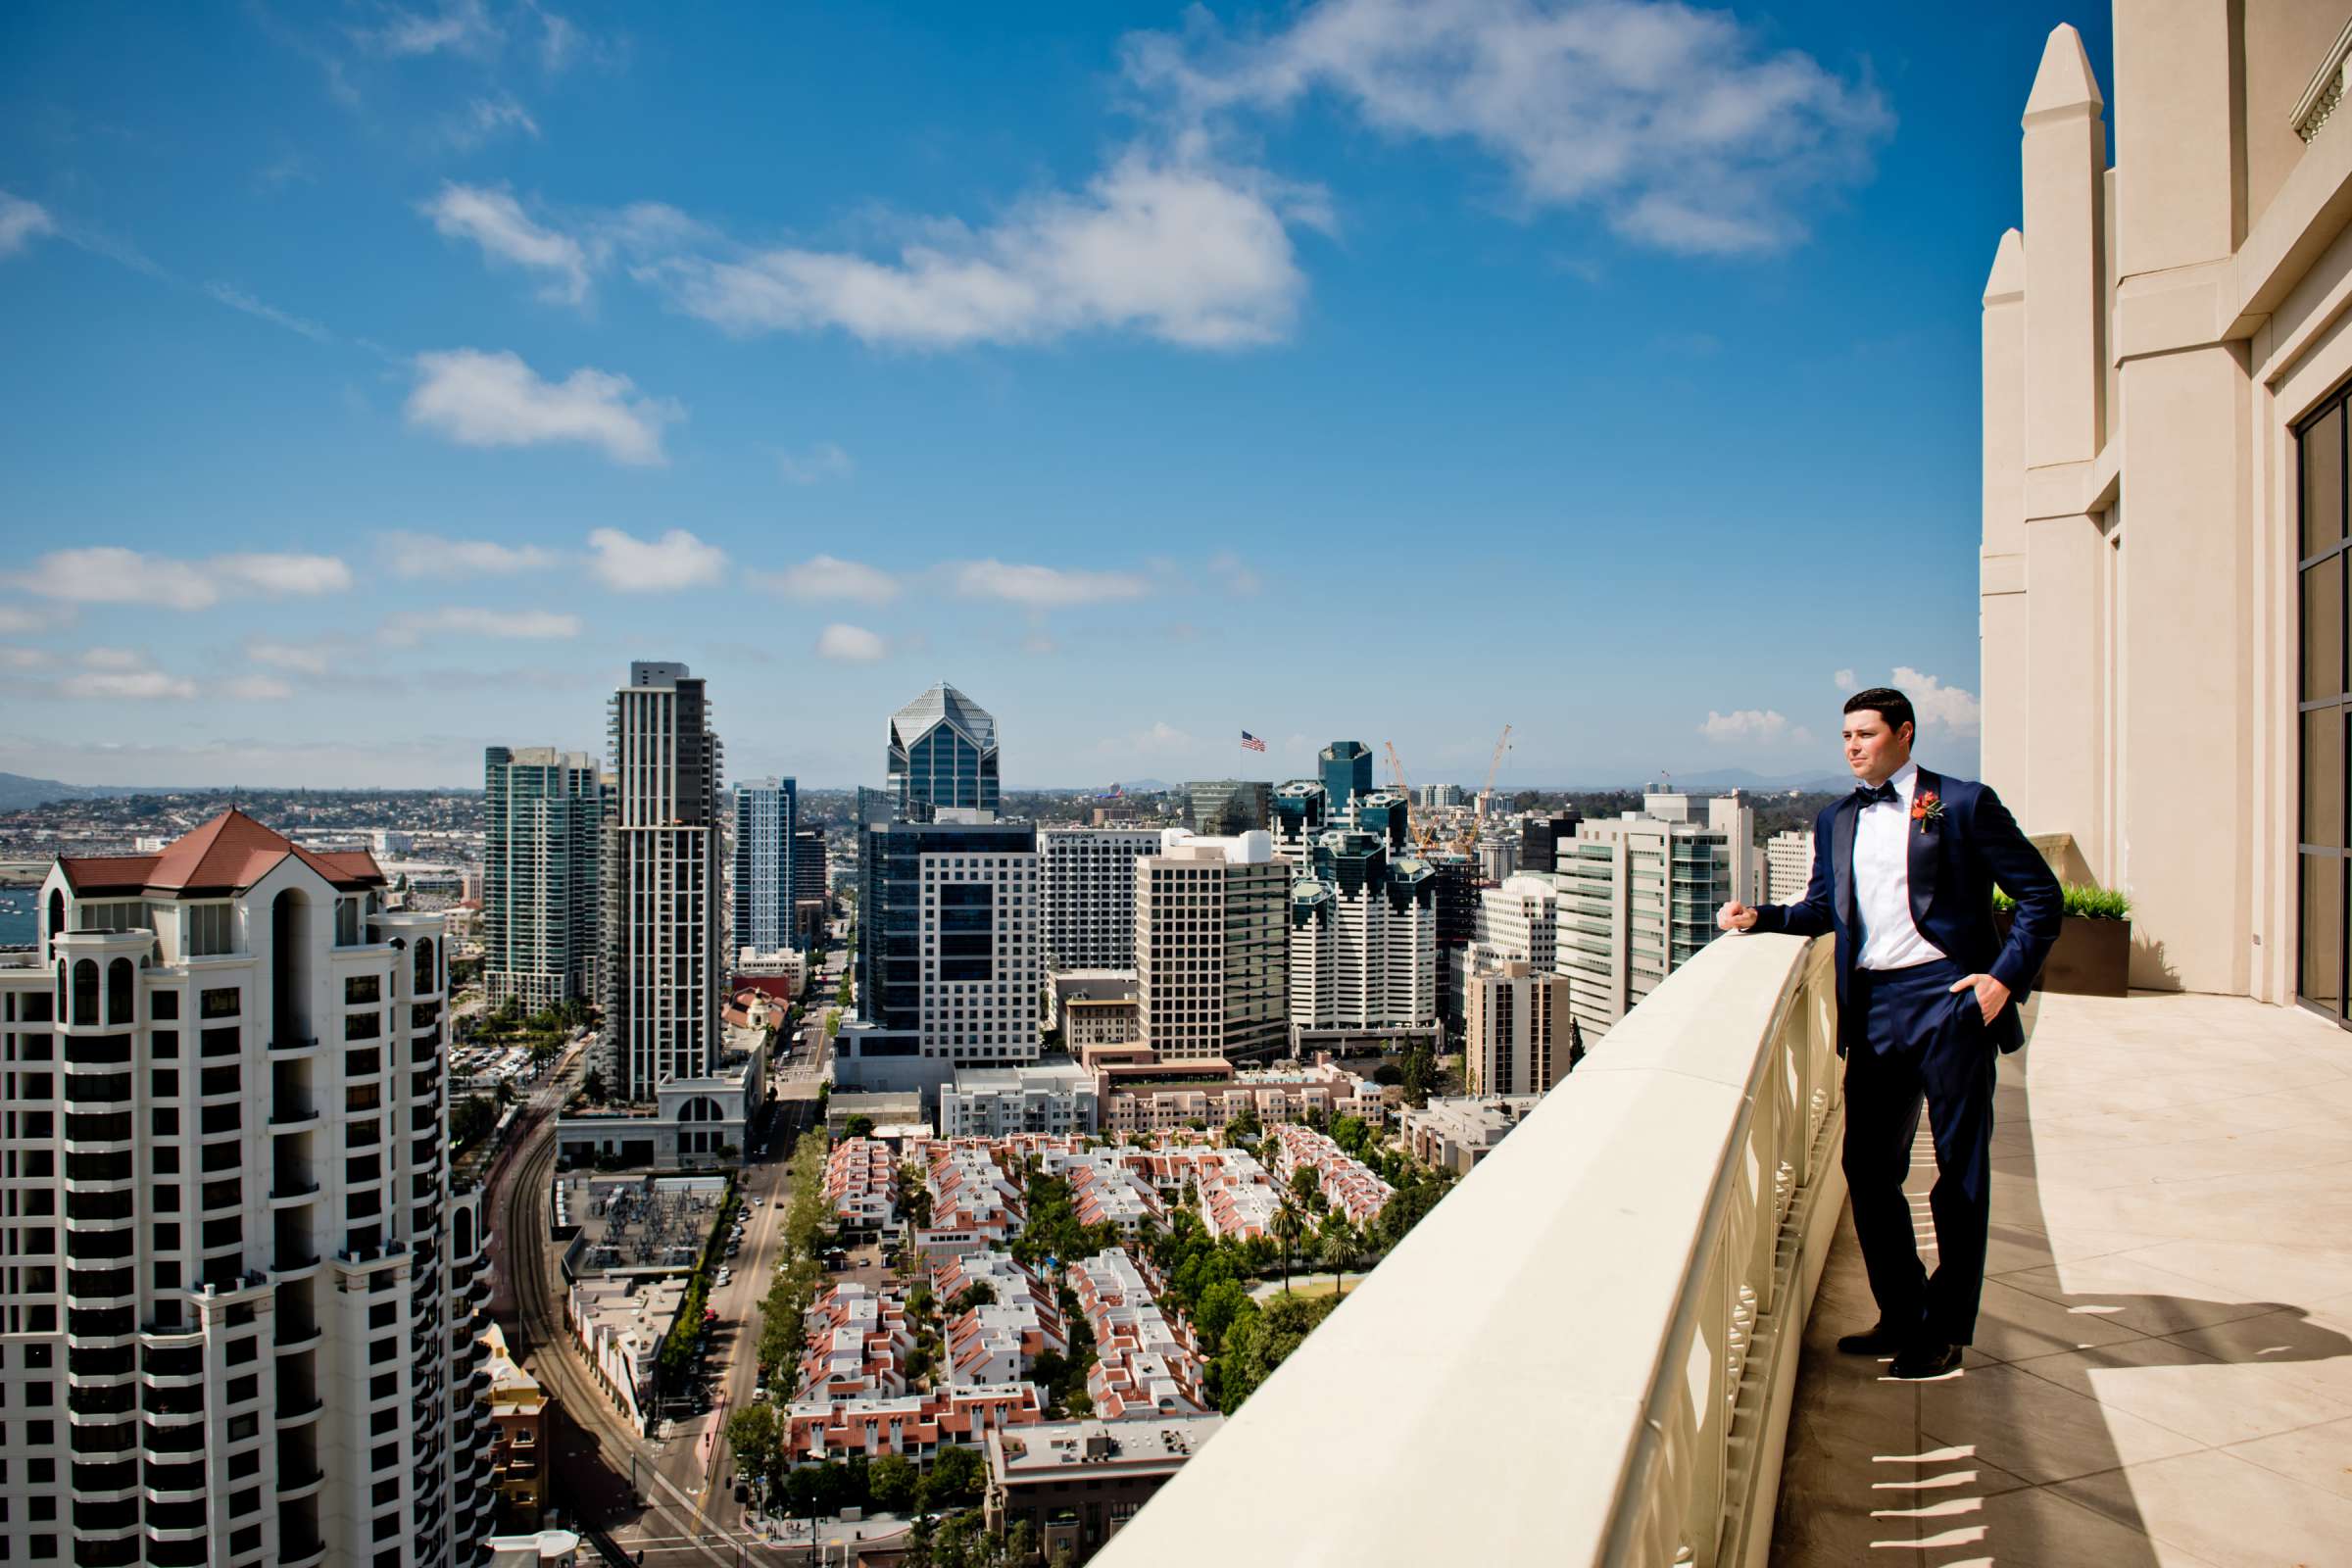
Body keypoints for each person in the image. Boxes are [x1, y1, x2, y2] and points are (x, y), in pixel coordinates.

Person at [1717, 687, 2061, 1379]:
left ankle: (1947, 1330)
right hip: (1873, 1010)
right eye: (1844, 735)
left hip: (1950, 1002)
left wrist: (2000, 979)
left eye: (1865, 734)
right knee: (1869, 1170)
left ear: (1904, 734)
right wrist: (1763, 917)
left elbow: (2040, 897)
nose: (1851, 747)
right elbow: (1824, 907)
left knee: (1959, 1175)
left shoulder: (1961, 803)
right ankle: (1902, 1312)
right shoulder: (1836, 818)